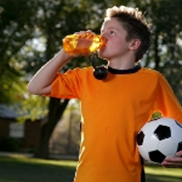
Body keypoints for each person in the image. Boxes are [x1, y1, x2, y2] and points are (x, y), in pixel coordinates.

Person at [27, 5, 182, 182]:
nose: (102, 37)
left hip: (128, 178)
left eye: (111, 32)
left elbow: (179, 122)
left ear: (133, 44)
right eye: (102, 31)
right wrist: (66, 53)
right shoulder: (85, 77)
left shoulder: (153, 80)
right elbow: (36, 87)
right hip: (86, 177)